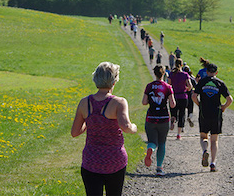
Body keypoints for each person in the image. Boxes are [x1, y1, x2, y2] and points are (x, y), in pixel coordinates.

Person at [71, 62, 137, 196]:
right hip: (115, 161)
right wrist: (134, 127)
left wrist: (90, 121)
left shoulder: (85, 102)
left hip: (91, 161)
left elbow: (75, 132)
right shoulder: (119, 102)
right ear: (114, 81)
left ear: (95, 79)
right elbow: (126, 127)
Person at [192, 63, 233, 173]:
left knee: (203, 136)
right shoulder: (220, 83)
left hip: (204, 112)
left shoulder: (202, 82)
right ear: (216, 72)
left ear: (207, 71)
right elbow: (230, 99)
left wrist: (199, 104)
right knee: (214, 140)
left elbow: (193, 96)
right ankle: (213, 163)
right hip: (216, 113)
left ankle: (205, 150)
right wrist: (223, 107)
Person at [142, 65, 176, 176]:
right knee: (162, 143)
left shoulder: (149, 86)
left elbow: (144, 102)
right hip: (163, 118)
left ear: (155, 73)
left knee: (152, 141)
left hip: (151, 118)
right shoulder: (167, 87)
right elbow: (172, 104)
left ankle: (150, 148)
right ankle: (159, 168)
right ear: (163, 74)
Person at [168, 58, 193, 140]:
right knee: (182, 115)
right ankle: (178, 134)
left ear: (175, 64)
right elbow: (190, 86)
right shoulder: (185, 74)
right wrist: (186, 89)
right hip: (183, 96)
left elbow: (168, 85)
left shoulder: (171, 74)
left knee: (173, 112)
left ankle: (173, 118)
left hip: (174, 96)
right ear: (182, 65)